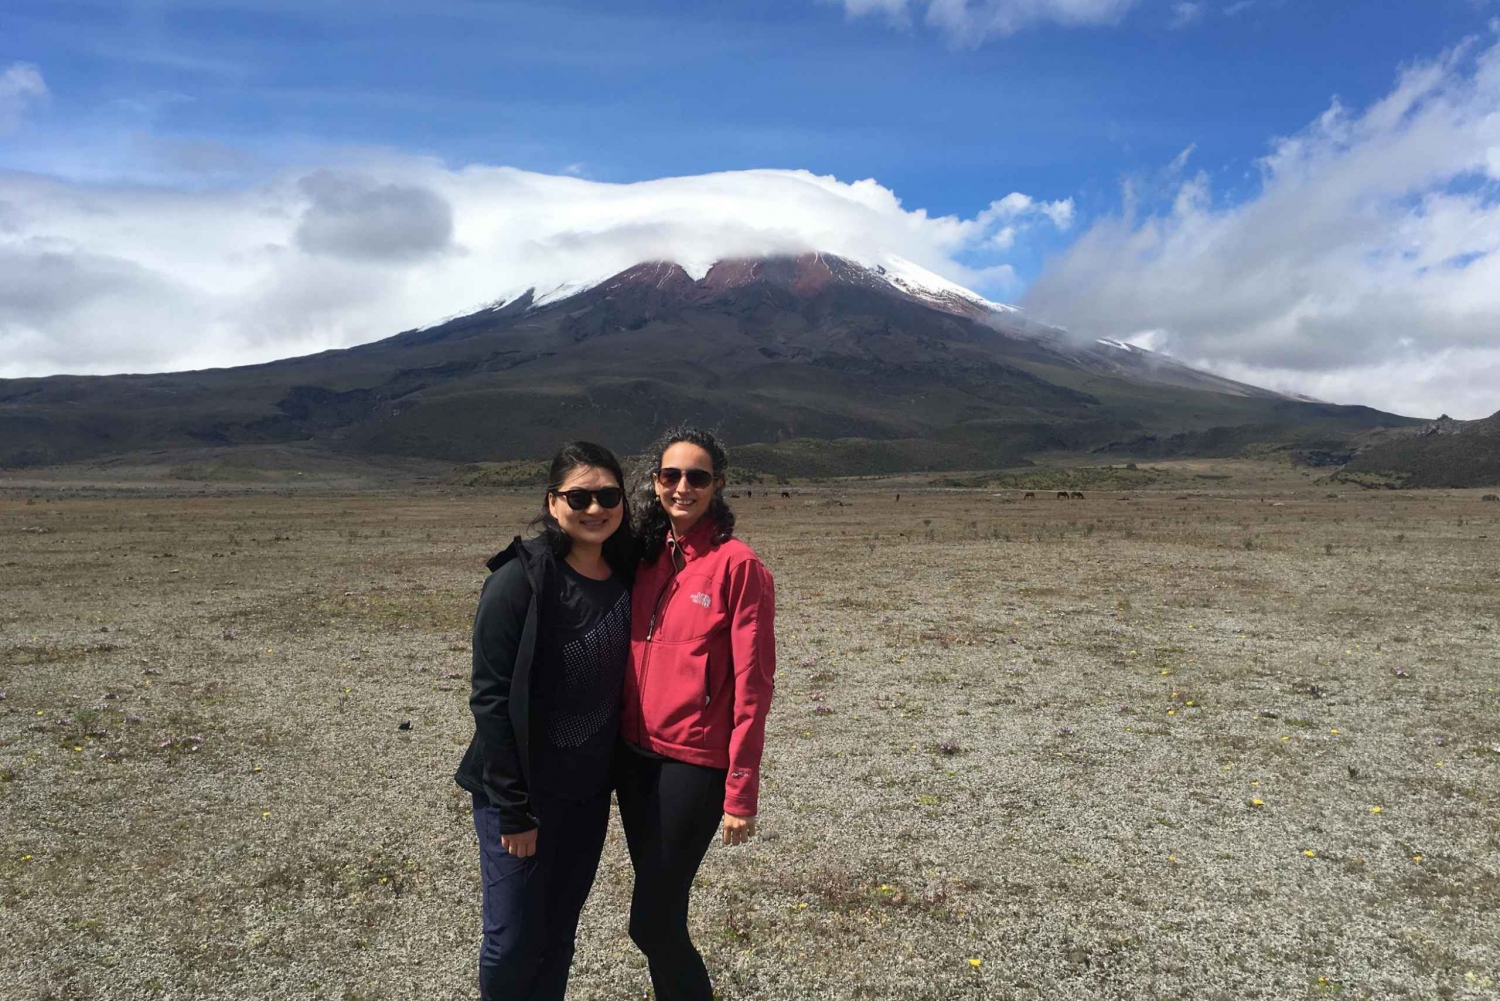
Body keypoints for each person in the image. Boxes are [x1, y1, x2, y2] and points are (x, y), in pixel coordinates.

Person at [454, 441, 635, 1001]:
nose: (594, 507)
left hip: (585, 797)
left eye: (607, 495)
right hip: (522, 797)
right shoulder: (519, 581)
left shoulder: (630, 575)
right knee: (511, 940)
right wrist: (514, 810)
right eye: (578, 496)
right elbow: (490, 699)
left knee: (558, 933)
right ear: (552, 502)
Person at [615, 426, 777, 1001]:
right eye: (670, 475)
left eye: (697, 477)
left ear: (719, 486)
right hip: (634, 760)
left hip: (692, 768)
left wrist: (741, 791)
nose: (682, 487)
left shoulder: (739, 567)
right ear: (655, 481)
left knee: (651, 923)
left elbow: (754, 688)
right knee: (663, 917)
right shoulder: (644, 556)